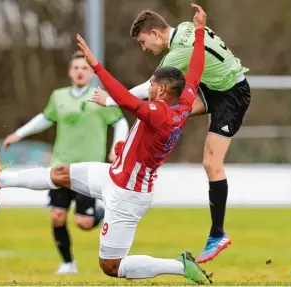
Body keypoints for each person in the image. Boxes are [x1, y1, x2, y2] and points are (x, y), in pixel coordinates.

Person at [0, 4, 212, 284]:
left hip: (127, 195)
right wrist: (199, 32)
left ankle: (180, 266)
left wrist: (97, 67)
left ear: (162, 90)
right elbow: (196, 69)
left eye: (152, 83)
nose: (149, 85)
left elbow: (126, 101)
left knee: (111, 267)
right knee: (60, 174)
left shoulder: (160, 114)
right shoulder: (184, 100)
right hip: (114, 175)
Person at [89, 7, 251, 263]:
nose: (144, 48)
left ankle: (217, 234)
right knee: (165, 114)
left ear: (155, 33)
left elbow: (150, 88)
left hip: (232, 95)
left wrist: (110, 100)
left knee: (211, 162)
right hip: (214, 88)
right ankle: (130, 154)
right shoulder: (186, 28)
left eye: (143, 42)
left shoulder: (178, 53)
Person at [1, 50, 129, 274]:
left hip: (88, 169)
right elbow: (45, 118)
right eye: (76, 68)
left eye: (85, 68)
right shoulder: (58, 96)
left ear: (91, 73)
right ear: (70, 72)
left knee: (84, 223)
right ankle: (68, 263)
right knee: (57, 215)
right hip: (60, 167)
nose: (80, 72)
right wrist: (19, 134)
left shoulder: (99, 97)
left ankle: (98, 209)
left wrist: (116, 148)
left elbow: (120, 122)